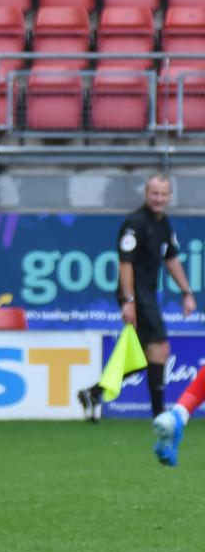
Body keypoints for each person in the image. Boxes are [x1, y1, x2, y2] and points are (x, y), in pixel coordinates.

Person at [77, 174, 196, 422]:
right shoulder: (135, 223)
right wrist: (129, 300)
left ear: (169, 196)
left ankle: (94, 393)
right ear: (146, 194)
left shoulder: (164, 224)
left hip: (147, 293)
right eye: (155, 193)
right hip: (138, 293)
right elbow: (125, 264)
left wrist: (187, 292)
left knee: (145, 356)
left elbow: (171, 259)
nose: (159, 199)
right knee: (160, 349)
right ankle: (158, 414)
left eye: (164, 194)